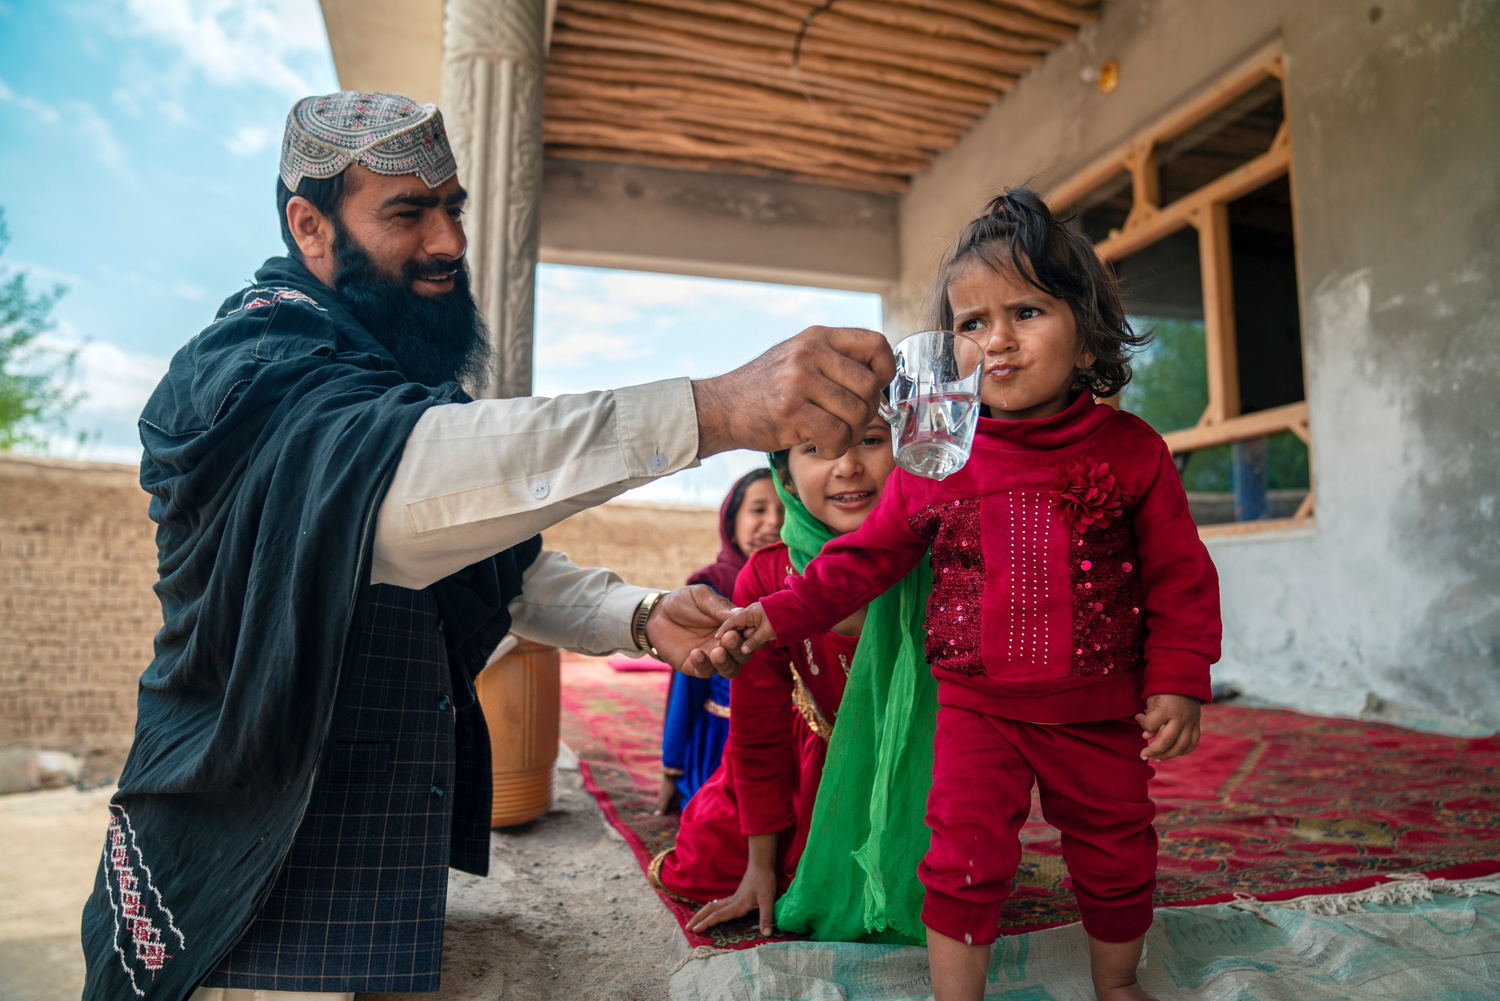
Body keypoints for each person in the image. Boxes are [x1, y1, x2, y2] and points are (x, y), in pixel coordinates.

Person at [80, 91, 894, 1001]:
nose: (448, 243)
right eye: (407, 212)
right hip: (243, 865)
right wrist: (714, 409)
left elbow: (468, 559)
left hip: (359, 871)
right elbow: (400, 499)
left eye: (453, 208)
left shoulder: (374, 370)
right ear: (309, 226)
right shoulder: (245, 371)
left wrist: (639, 613)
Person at [710, 189, 1221, 1001]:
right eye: (972, 323)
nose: (998, 340)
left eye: (1026, 311)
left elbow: (1179, 573)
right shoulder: (936, 458)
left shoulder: (1131, 451)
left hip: (1098, 709)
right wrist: (771, 615)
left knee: (1118, 846)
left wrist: (1179, 678)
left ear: (1087, 332)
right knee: (962, 856)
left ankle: (1118, 980)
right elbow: (862, 562)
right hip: (977, 707)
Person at [649, 420, 918, 935]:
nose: (847, 466)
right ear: (787, 479)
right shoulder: (767, 577)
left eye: (870, 439)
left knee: (937, 884)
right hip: (808, 768)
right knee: (705, 860)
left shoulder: (937, 557)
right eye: (816, 447)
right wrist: (760, 867)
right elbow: (757, 734)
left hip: (914, 767)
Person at [656, 469, 784, 815]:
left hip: (786, 741)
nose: (773, 522)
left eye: (785, 509)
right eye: (758, 509)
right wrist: (673, 768)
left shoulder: (802, 587)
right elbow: (686, 687)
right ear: (731, 520)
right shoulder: (709, 589)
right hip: (720, 740)